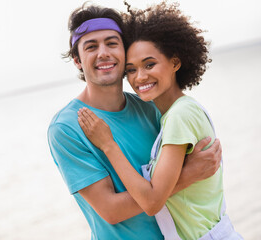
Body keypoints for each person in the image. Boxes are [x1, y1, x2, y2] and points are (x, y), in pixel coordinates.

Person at [48, 3, 222, 239]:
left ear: (124, 51)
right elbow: (110, 210)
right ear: (78, 60)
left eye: (112, 43)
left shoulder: (151, 108)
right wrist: (188, 175)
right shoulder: (67, 127)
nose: (103, 53)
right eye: (91, 47)